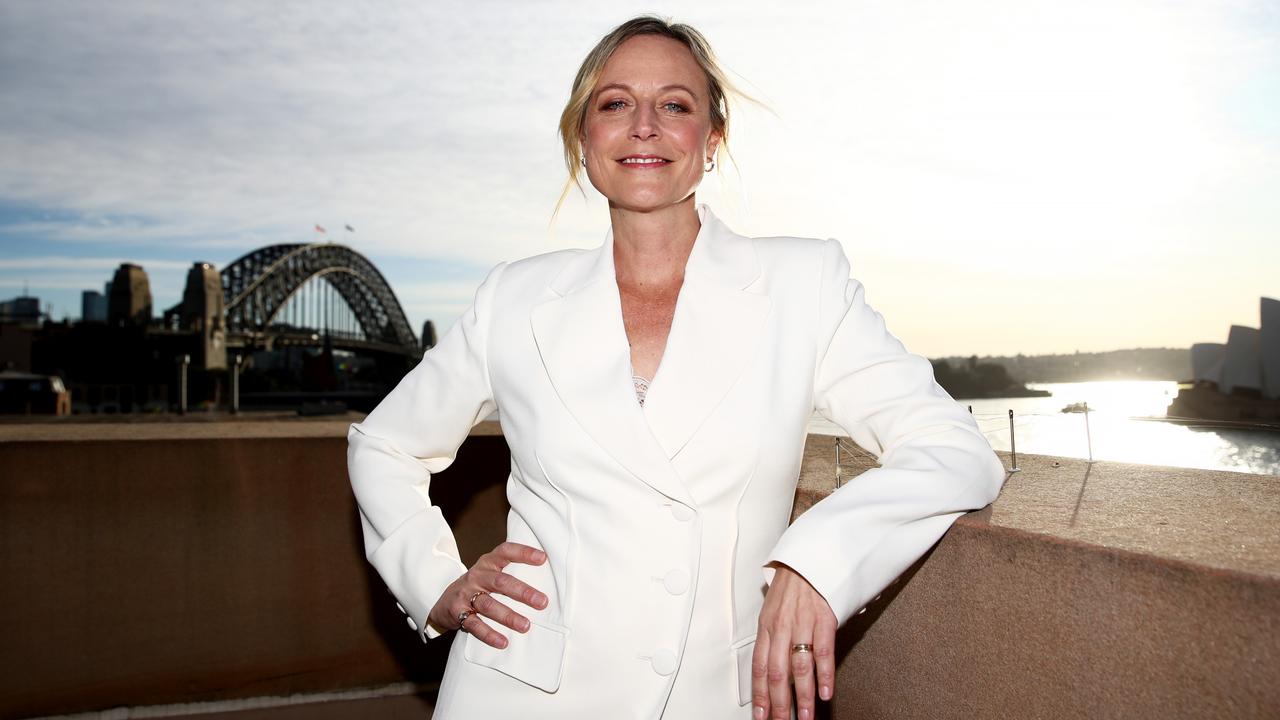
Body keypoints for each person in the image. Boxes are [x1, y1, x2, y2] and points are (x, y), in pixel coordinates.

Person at [347, 14, 1005, 720]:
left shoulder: (803, 285)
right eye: (615, 103)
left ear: (712, 138)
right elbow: (385, 444)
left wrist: (818, 561)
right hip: (516, 693)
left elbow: (952, 450)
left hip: (714, 699)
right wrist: (434, 582)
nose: (644, 126)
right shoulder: (515, 297)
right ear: (583, 138)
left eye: (675, 105)